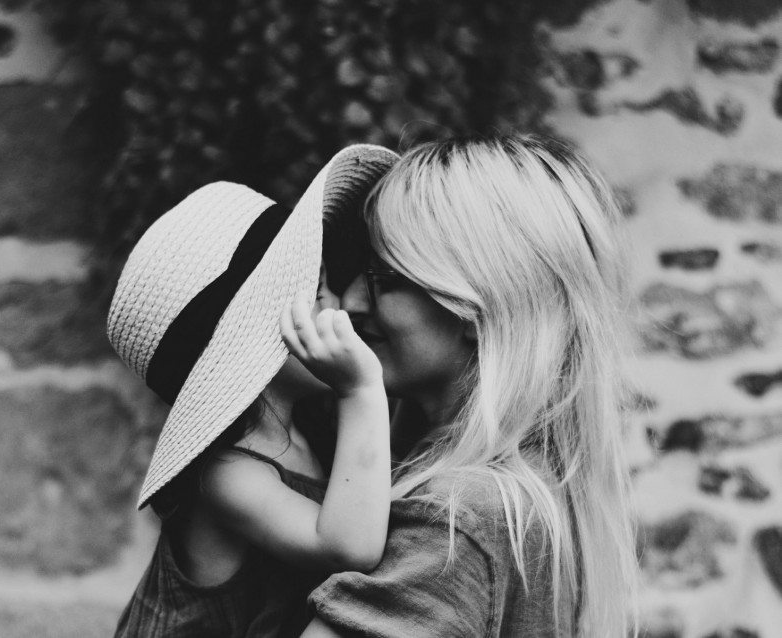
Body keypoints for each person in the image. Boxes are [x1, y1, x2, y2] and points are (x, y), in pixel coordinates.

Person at [302, 134, 639, 637]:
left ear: (475, 306)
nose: (350, 300)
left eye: (382, 276)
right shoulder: (538, 493)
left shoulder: (457, 521)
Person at [106, 144, 399, 638]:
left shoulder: (311, 430)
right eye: (320, 291)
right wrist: (360, 391)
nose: (343, 305)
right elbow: (349, 549)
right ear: (258, 340)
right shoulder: (228, 475)